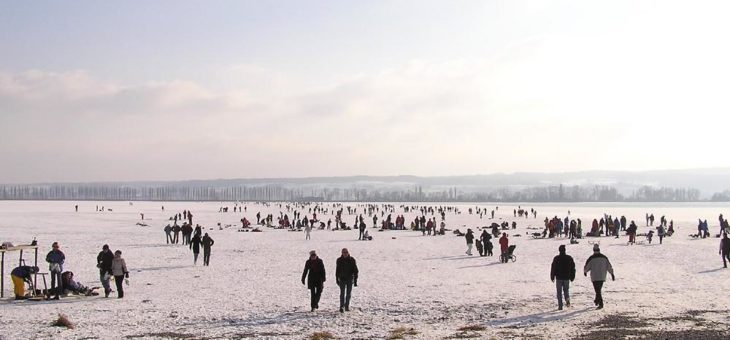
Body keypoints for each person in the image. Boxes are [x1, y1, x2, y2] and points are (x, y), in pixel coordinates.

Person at [584, 244, 615, 309]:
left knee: (597, 290)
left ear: (593, 250)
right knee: (598, 290)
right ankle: (597, 300)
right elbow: (609, 266)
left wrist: (585, 272)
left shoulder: (591, 258)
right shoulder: (604, 257)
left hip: (594, 277)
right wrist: (612, 274)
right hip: (602, 276)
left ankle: (601, 304)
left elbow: (587, 266)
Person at [550, 245, 575, 310]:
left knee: (559, 292)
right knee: (566, 290)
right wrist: (572, 276)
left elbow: (553, 268)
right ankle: (567, 299)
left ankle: (560, 306)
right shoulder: (569, 258)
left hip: (559, 277)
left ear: (559, 250)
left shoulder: (556, 258)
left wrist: (552, 276)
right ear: (565, 250)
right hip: (566, 277)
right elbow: (573, 268)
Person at [335, 248, 359, 313]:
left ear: (348, 253)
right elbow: (337, 270)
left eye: (346, 252)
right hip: (342, 278)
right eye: (343, 252)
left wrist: (355, 280)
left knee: (348, 293)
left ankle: (347, 306)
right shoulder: (339, 260)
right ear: (342, 253)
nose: (345, 254)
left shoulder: (352, 260)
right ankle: (341, 306)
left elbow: (355, 270)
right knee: (342, 293)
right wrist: (337, 279)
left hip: (349, 278)